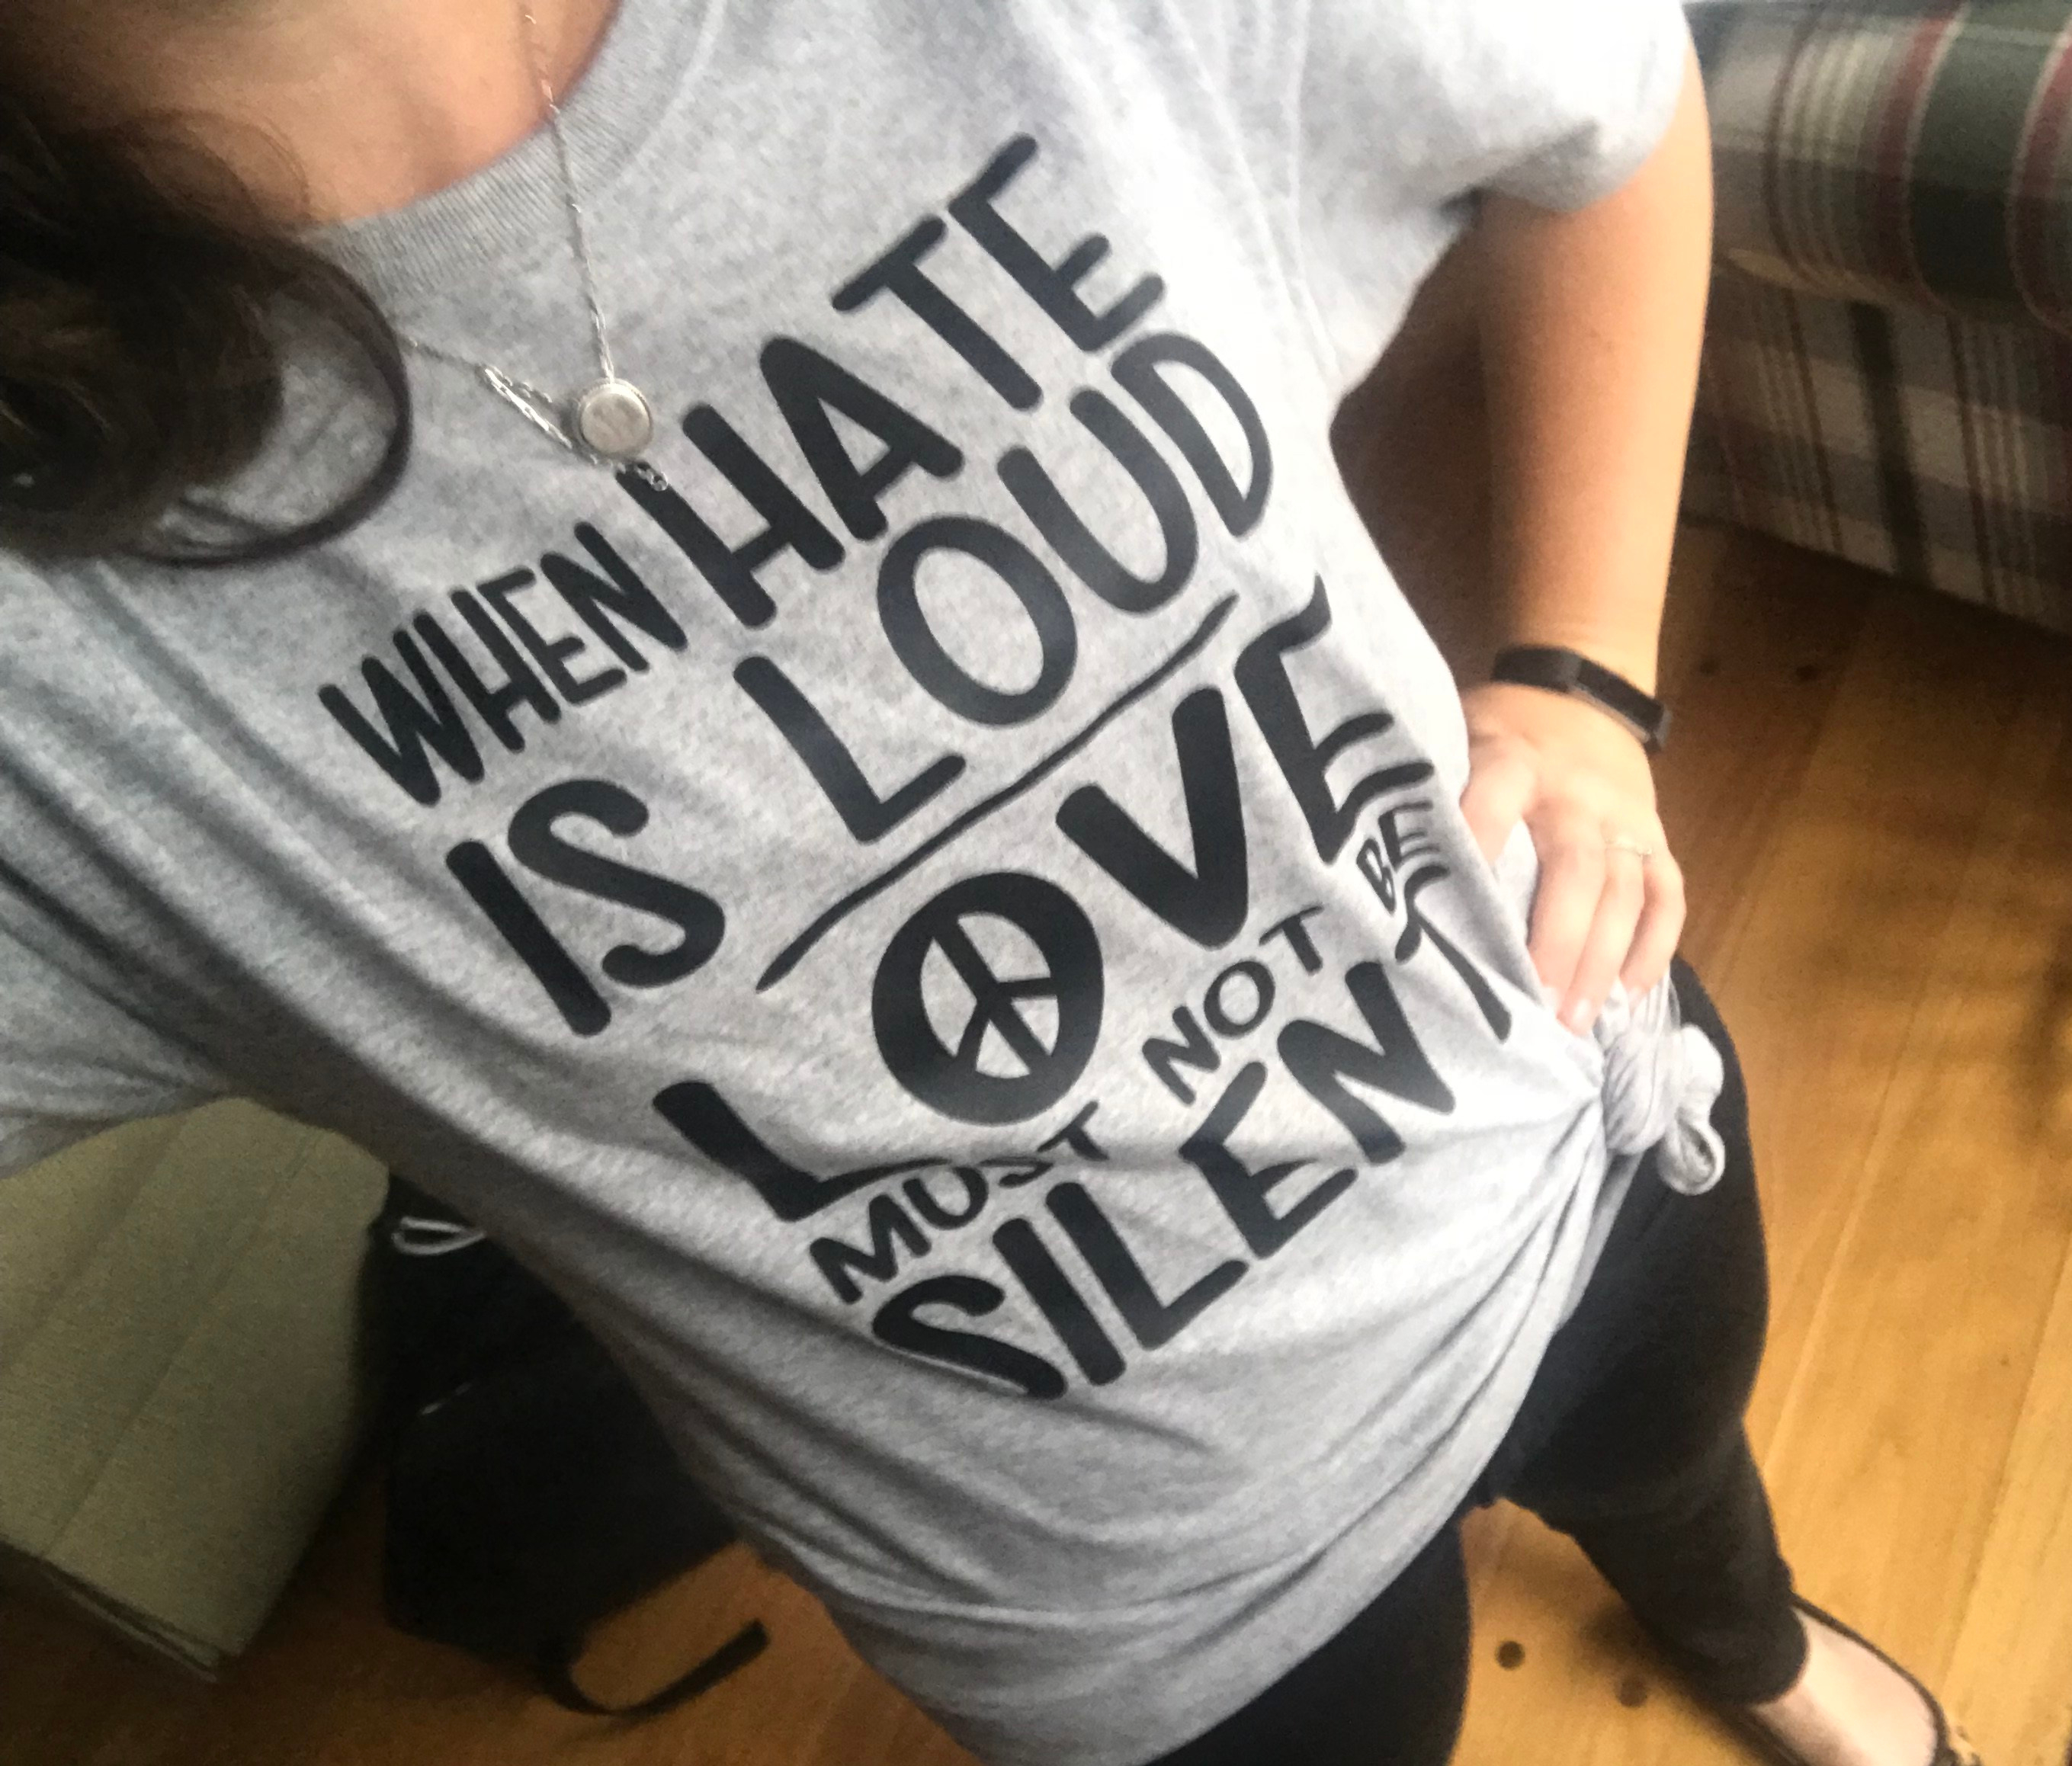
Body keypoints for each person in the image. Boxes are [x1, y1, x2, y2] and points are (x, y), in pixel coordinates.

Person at [0, 3, 1976, 1763]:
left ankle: (1751, 1639)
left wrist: (1583, 678)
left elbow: (1601, 95)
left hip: (1564, 1136)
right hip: (1155, 1609)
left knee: (1681, 1470)